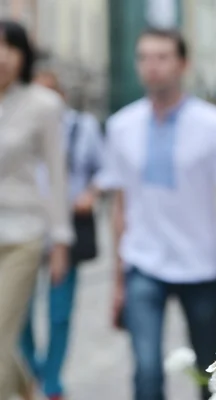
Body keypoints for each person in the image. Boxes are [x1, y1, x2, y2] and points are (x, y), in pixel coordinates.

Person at [95, 28, 216, 400]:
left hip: (200, 265)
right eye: (145, 57)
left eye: (163, 57)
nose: (153, 66)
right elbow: (121, 205)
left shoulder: (214, 125)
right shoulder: (121, 126)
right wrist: (118, 282)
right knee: (146, 371)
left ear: (183, 63)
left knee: (209, 372)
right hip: (143, 263)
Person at [19, 70, 104, 400]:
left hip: (65, 228)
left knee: (59, 311)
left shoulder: (82, 128)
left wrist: (90, 194)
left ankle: (51, 381)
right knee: (17, 311)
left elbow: (105, 169)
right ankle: (34, 372)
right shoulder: (14, 124)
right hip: (24, 229)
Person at [0, 20, 72, 399]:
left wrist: (60, 241)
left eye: (9, 47)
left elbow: (58, 177)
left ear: (23, 54)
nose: (2, 56)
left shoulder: (43, 105)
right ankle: (28, 389)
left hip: (22, 235)